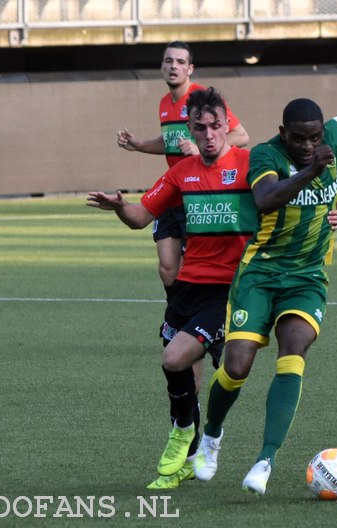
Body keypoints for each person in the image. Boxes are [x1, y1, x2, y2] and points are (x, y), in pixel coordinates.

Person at [192, 28, 337, 496]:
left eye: (314, 138)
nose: (308, 144)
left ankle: (264, 461)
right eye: (299, 138)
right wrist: (311, 170)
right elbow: (266, 199)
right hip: (260, 272)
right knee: (236, 365)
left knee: (294, 349)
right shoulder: (266, 154)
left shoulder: (335, 136)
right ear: (284, 134)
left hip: (307, 276)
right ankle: (212, 436)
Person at [89, 88, 337, 490]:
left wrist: (335, 211)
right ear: (189, 129)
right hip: (187, 288)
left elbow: (306, 194)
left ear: (227, 126)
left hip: (233, 287)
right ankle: (187, 458)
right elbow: (140, 217)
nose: (208, 134)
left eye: (215, 126)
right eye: (200, 127)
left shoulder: (254, 163)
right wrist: (119, 206)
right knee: (183, 378)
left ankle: (193, 441)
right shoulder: (182, 172)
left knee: (183, 360)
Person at [116, 41, 249, 451]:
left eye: (180, 61)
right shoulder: (165, 107)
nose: (173, 66)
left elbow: (244, 139)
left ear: (192, 67)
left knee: (203, 353)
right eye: (167, 60)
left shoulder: (207, 106)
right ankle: (186, 430)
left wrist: (330, 206)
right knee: (168, 271)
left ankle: (201, 427)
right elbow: (140, 213)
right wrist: (138, 151)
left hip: (208, 206)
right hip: (178, 192)